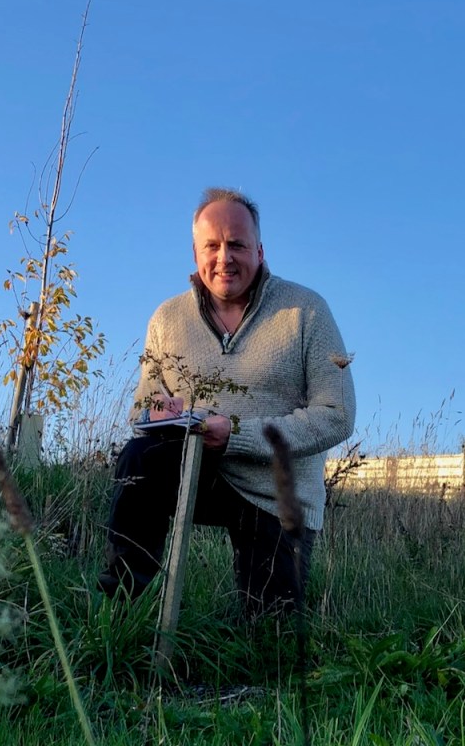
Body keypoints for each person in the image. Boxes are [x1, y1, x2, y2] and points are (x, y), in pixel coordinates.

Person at [98, 187, 356, 617]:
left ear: (259, 248)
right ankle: (118, 610)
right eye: (211, 246)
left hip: (276, 494)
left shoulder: (307, 311)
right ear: (195, 252)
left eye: (236, 244)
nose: (224, 258)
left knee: (269, 636)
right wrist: (156, 414)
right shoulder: (167, 318)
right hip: (195, 471)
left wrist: (236, 435)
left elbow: (337, 415)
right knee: (140, 457)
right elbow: (140, 407)